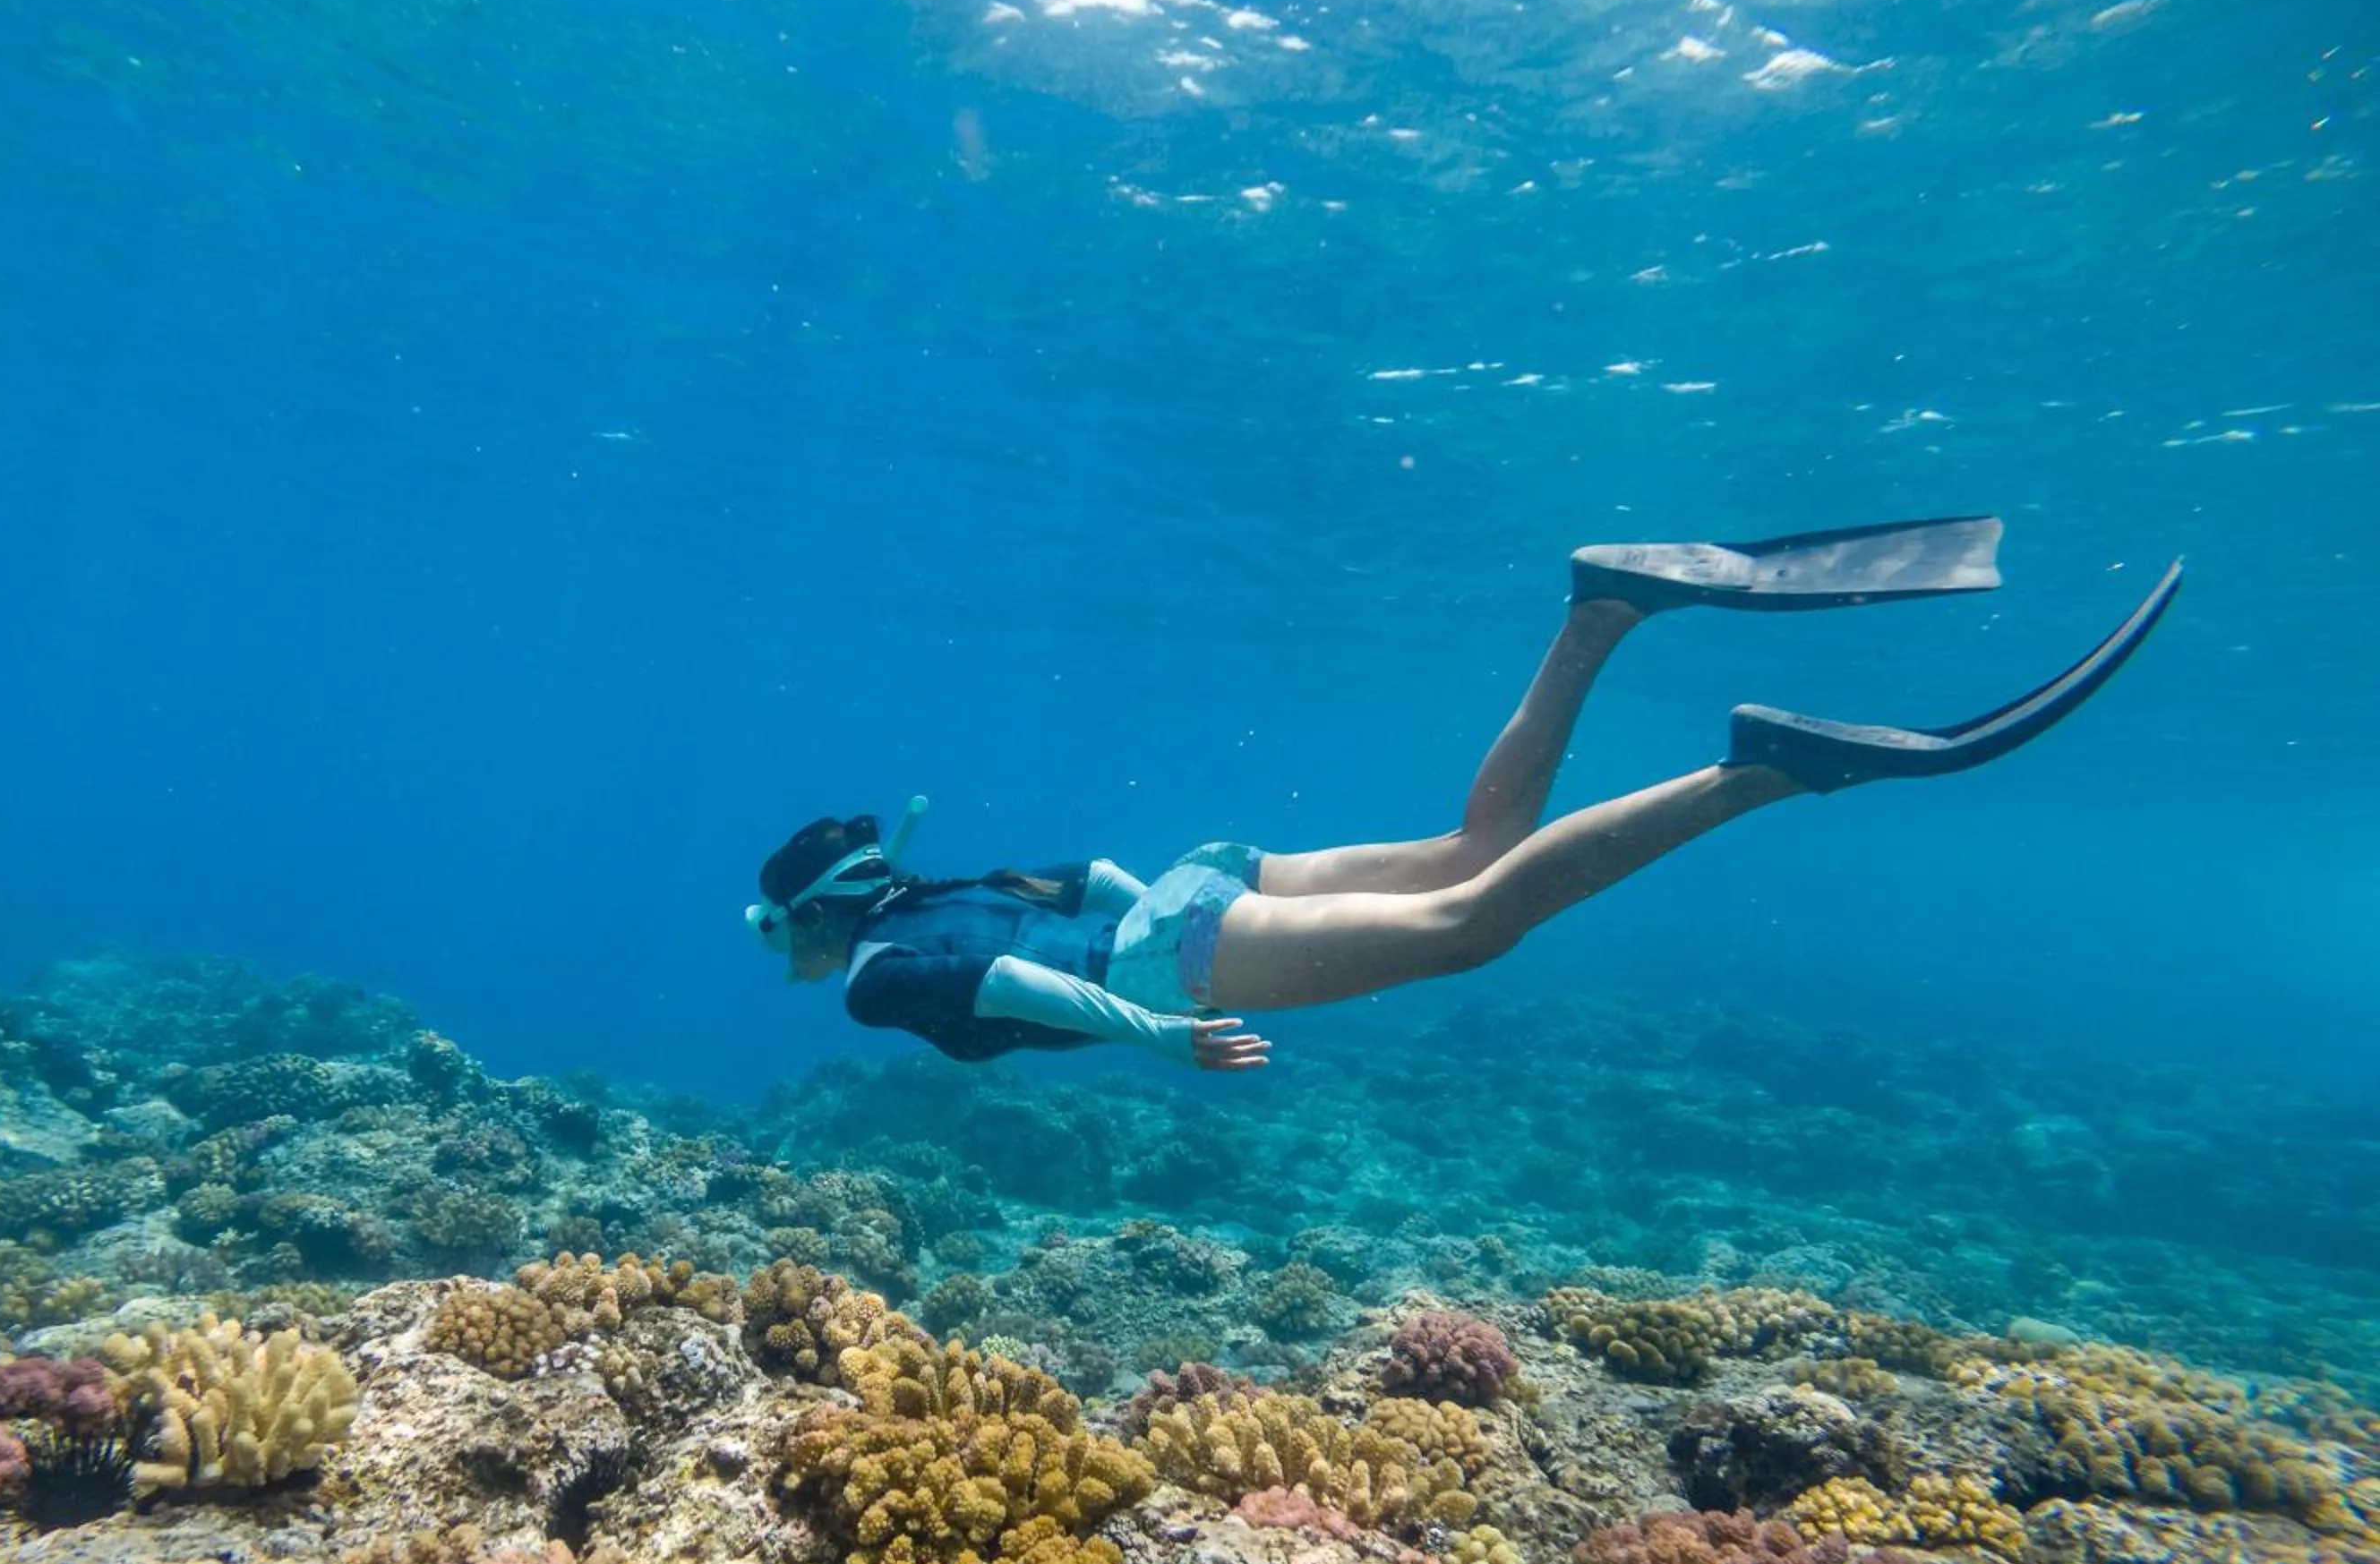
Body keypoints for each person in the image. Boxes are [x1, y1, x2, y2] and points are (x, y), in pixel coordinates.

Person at [748, 517, 2177, 1073]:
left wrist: (1163, 1026)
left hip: (1173, 955)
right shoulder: (926, 892)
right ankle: (1605, 610)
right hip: (1197, 882)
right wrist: (1178, 918)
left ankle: (1763, 770)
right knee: (1470, 841)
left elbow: (1013, 981)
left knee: (1473, 921)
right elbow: (1097, 876)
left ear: (816, 918)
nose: (782, 957)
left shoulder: (877, 971)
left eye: (772, 932)